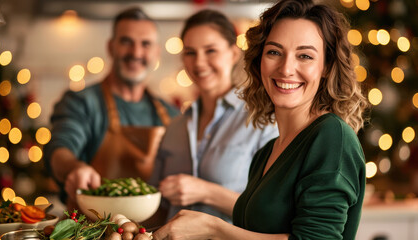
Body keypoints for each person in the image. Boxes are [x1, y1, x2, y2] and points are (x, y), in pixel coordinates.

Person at [153, 0, 369, 239]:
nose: (286, 68)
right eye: (274, 52)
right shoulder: (266, 153)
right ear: (259, 60)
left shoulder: (331, 137)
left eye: (305, 56)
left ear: (326, 66)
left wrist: (214, 229)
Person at [148, 9, 278, 225]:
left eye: (210, 51)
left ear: (233, 54)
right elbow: (155, 205)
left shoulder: (262, 121)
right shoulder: (174, 126)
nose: (199, 62)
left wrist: (205, 192)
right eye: (190, 52)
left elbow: (271, 213)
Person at [44, 7, 179, 210]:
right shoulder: (81, 102)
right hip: (91, 230)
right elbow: (60, 148)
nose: (136, 52)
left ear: (156, 52)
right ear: (111, 47)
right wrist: (74, 168)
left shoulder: (171, 114)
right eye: (126, 41)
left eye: (146, 44)